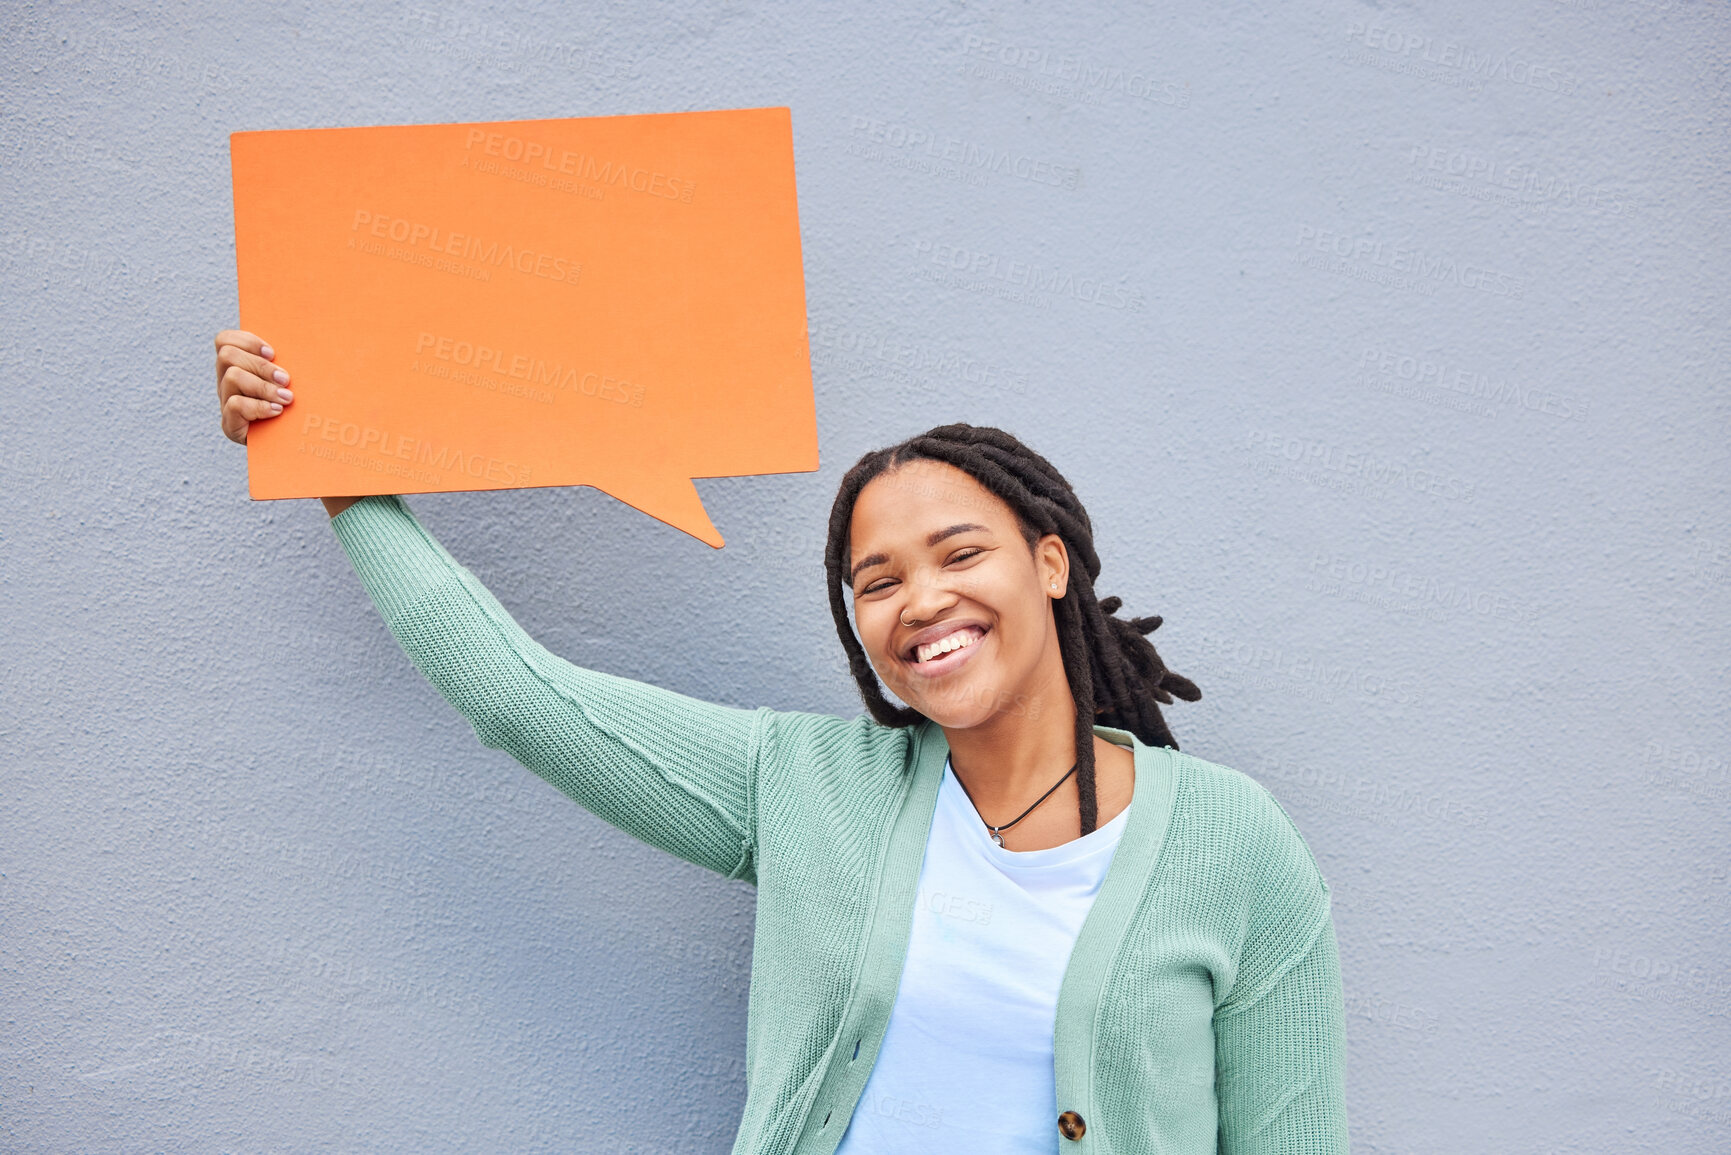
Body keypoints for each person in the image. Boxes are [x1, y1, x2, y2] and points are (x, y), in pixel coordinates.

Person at [214, 329, 1350, 1154]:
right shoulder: (804, 786)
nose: (922, 601)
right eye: (879, 581)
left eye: (961, 555)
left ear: (1049, 565)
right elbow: (526, 701)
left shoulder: (1232, 844)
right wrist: (336, 470)